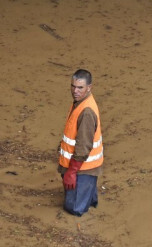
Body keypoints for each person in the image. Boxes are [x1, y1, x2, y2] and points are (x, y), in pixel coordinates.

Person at [57, 69, 103, 216]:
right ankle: (90, 198)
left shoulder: (86, 111)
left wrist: (71, 172)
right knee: (84, 199)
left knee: (74, 209)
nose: (75, 91)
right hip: (84, 166)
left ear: (89, 87)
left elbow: (84, 146)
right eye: (73, 86)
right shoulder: (80, 102)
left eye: (80, 88)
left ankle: (86, 200)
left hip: (83, 167)